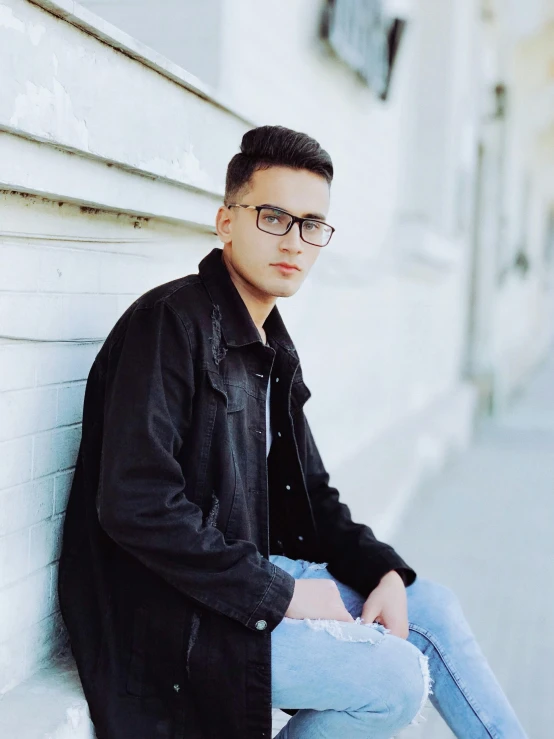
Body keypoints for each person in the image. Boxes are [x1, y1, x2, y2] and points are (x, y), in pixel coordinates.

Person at [58, 125, 528, 739]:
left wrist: (382, 571)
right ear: (226, 221)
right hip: (166, 619)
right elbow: (137, 504)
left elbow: (313, 494)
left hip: (234, 585)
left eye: (312, 224)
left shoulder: (270, 347)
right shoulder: (168, 326)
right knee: (393, 677)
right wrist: (278, 593)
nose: (296, 242)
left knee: (427, 607)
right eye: (275, 217)